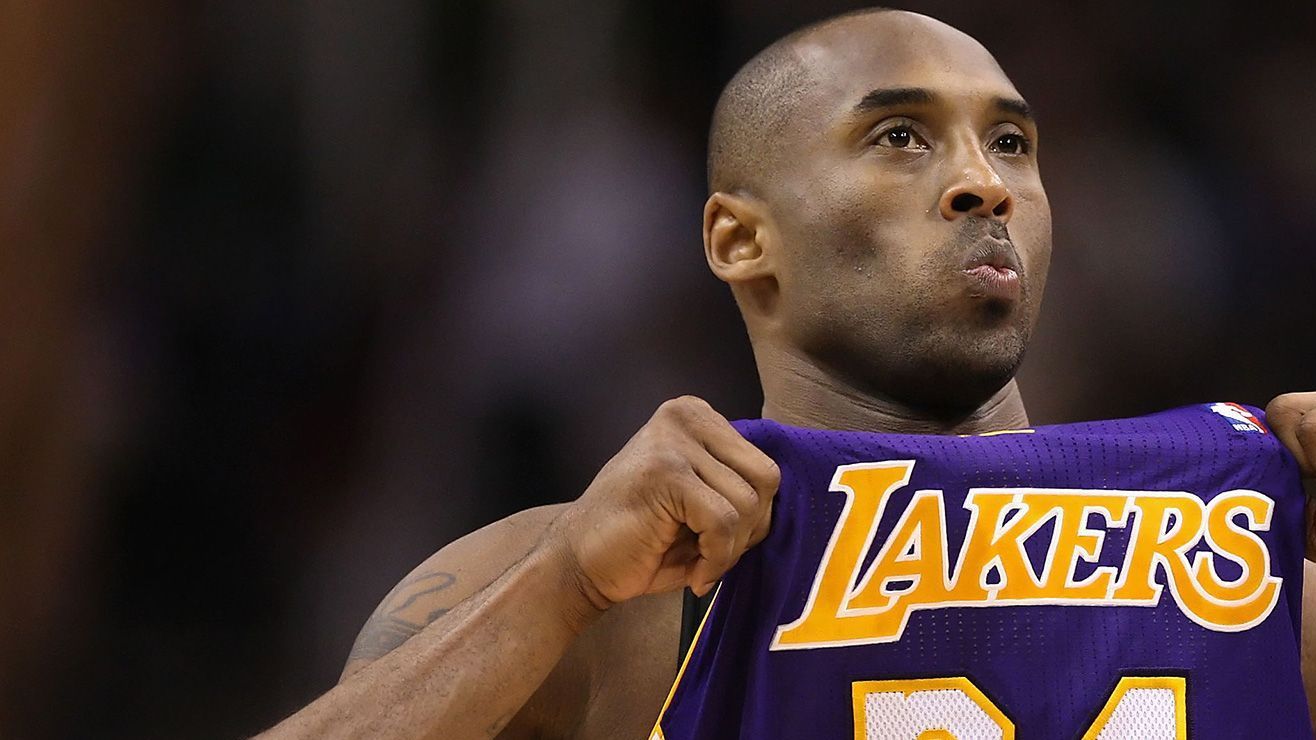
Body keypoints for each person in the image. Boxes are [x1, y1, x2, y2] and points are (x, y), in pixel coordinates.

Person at [260, 8, 1316, 739]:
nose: (982, 182)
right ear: (739, 239)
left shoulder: (1257, 573)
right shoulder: (606, 588)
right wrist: (561, 584)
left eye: (1010, 142)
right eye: (900, 136)